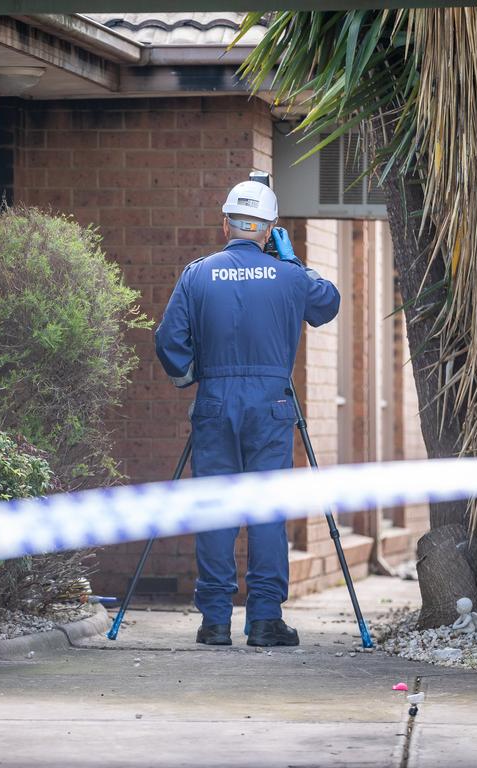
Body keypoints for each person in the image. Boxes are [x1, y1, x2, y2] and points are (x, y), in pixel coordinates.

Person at [154, 178, 341, 647]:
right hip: (271, 404)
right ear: (269, 229)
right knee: (267, 514)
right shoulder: (291, 275)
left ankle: (215, 621)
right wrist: (292, 260)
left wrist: (192, 377)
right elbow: (328, 304)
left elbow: (168, 342)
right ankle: (264, 620)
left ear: (226, 225)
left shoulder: (197, 274)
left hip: (215, 401)